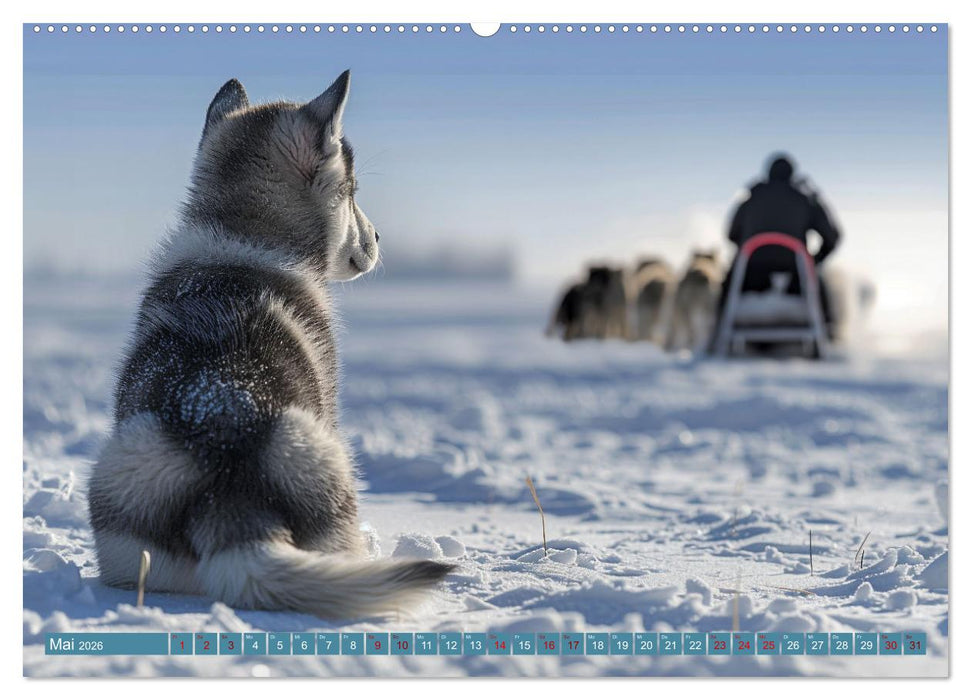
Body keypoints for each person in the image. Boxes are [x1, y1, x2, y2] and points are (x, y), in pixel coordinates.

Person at [718, 154, 841, 334]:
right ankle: (828, 331)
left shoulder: (750, 198)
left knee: (730, 277)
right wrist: (814, 260)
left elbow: (731, 234)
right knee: (815, 278)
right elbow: (832, 237)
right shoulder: (805, 199)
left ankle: (717, 327)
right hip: (796, 275)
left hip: (750, 274)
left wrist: (751, 251)